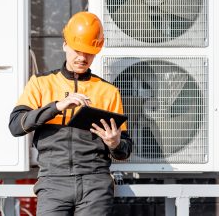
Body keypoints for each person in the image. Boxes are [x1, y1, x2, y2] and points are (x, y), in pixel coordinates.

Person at [9, 11, 132, 216]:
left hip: (95, 183)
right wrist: (56, 106)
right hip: (53, 182)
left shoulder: (108, 91)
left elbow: (125, 150)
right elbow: (16, 126)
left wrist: (115, 144)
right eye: (77, 50)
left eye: (89, 52)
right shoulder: (40, 84)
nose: (82, 57)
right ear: (65, 44)